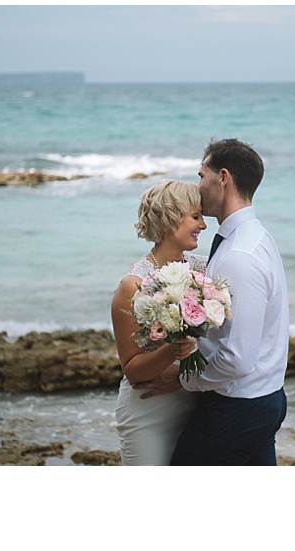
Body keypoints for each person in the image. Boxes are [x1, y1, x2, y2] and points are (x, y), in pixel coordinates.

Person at [138, 138, 289, 466]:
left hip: (238, 408)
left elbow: (237, 360)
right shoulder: (256, 237)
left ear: (223, 177)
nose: (198, 186)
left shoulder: (239, 255)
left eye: (201, 176)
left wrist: (182, 378)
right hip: (262, 398)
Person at [111, 180, 207, 466]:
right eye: (195, 216)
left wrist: (182, 378)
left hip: (194, 402)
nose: (203, 225)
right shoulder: (133, 286)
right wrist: (173, 351)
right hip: (148, 412)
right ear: (170, 218)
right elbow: (133, 370)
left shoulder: (203, 270)